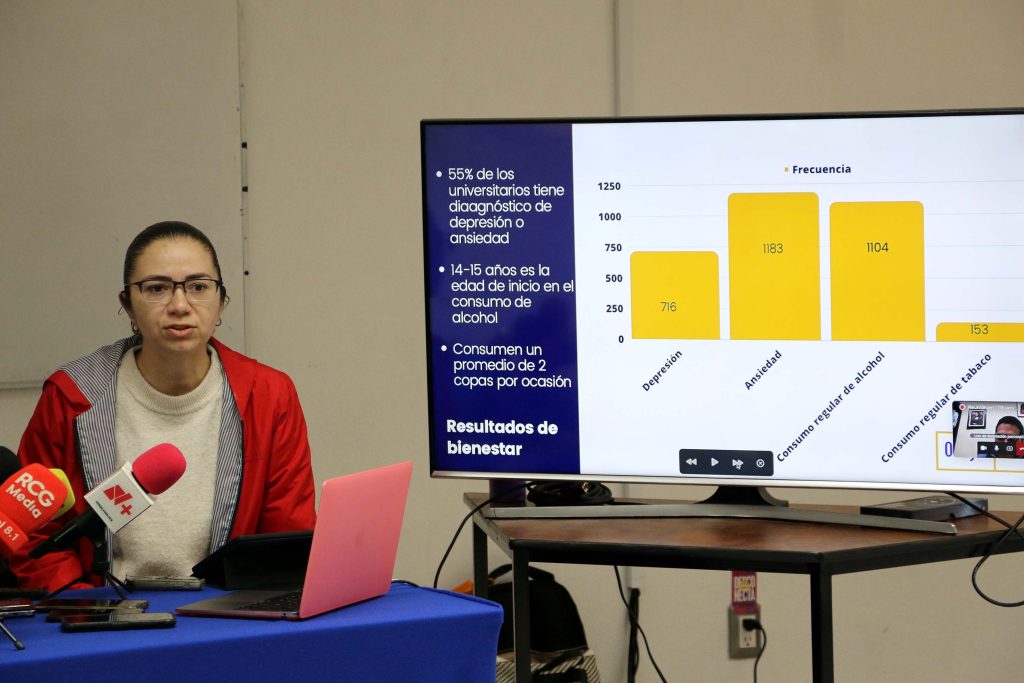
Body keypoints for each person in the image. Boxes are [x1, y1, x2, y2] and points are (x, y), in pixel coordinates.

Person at [11, 221, 316, 592]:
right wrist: (85, 606)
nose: (180, 306)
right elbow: (33, 536)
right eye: (157, 288)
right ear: (127, 304)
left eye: (199, 287)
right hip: (102, 610)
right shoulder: (72, 395)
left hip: (223, 610)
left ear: (221, 300)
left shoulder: (269, 395)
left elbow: (286, 539)